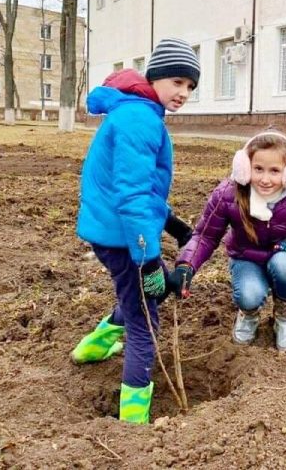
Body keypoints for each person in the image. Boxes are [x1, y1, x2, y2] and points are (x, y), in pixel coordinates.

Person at [70, 38, 200, 425]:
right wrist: (148, 261)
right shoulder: (141, 120)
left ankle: (93, 347)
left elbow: (141, 188)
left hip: (113, 229)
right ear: (156, 76)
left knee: (136, 297)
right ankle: (132, 418)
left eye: (191, 87)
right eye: (177, 82)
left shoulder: (137, 111)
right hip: (123, 237)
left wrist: (171, 222)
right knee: (146, 319)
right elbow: (132, 196)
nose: (183, 93)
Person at [168, 130, 286, 351]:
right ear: (245, 168)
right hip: (246, 258)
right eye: (258, 169)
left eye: (275, 171)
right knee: (248, 296)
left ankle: (285, 317)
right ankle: (249, 314)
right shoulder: (228, 193)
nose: (265, 179)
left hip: (284, 255)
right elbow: (206, 235)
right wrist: (186, 265)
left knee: (285, 266)